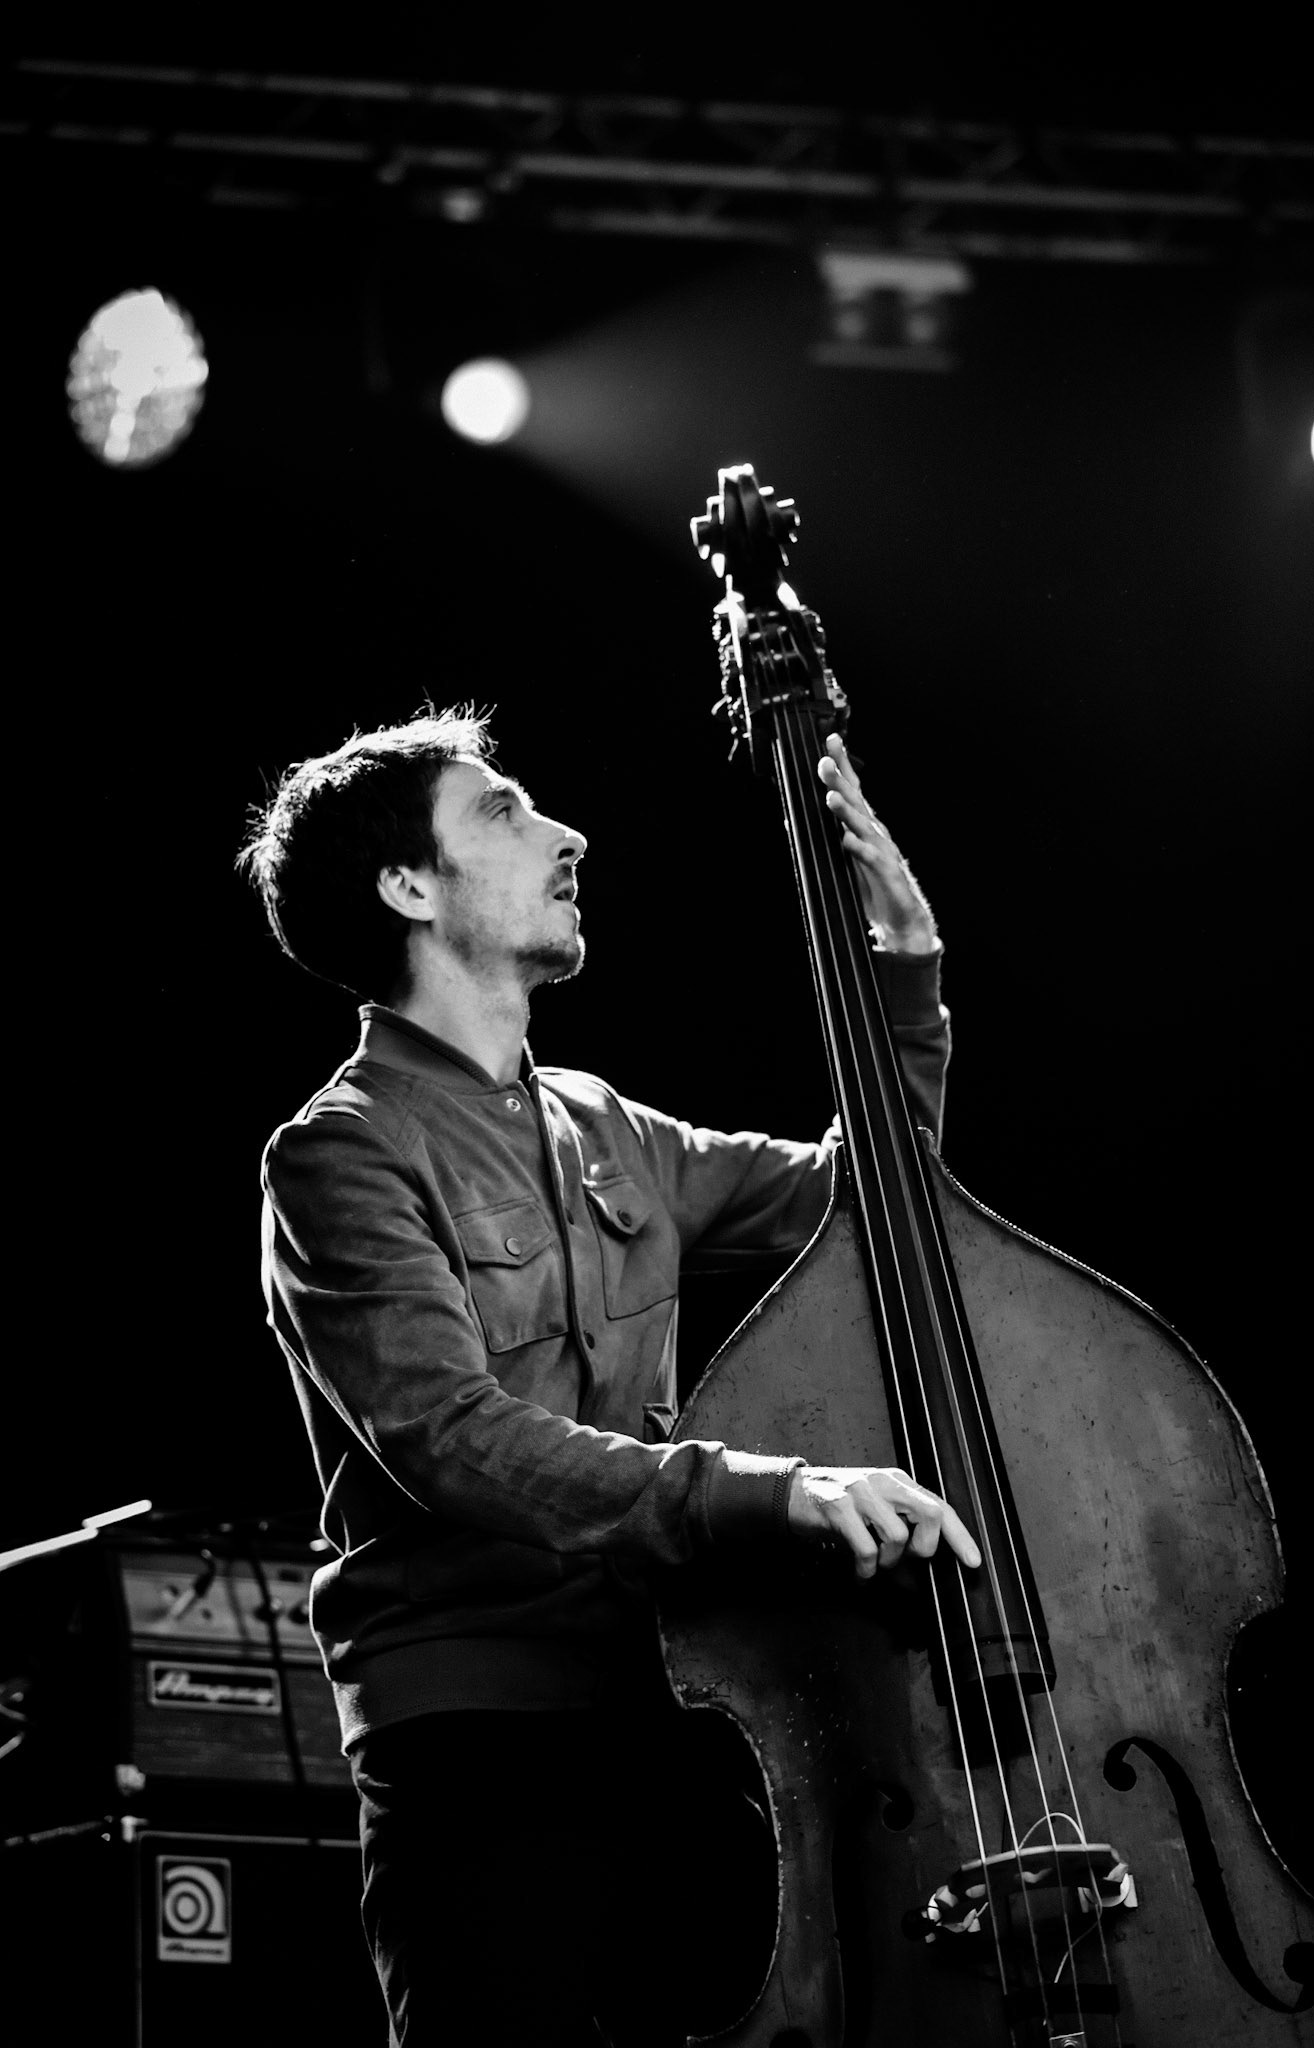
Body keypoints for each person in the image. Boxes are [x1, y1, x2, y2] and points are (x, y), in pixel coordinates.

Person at [241, 704, 980, 2046]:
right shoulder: (336, 1156)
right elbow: (449, 1436)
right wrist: (772, 1494)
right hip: (480, 1741)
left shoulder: (602, 1121)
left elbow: (873, 1203)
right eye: (505, 812)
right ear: (409, 886)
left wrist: (903, 970)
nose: (567, 832)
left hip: (683, 1708)